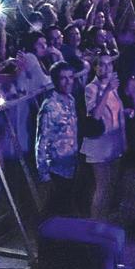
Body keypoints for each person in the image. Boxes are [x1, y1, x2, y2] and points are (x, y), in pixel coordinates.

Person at [80, 52, 125, 222]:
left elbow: (118, 112)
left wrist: (124, 139)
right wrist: (106, 90)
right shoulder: (91, 88)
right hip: (99, 143)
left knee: (111, 184)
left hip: (114, 141)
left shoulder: (114, 88)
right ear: (96, 68)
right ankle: (95, 223)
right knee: (102, 186)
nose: (106, 68)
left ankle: (105, 219)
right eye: (102, 65)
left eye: (109, 64)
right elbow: (96, 115)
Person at [34, 61, 81, 216]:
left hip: (71, 165)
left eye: (71, 77)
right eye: (63, 78)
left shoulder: (71, 100)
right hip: (56, 169)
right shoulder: (50, 106)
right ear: (55, 81)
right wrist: (44, 174)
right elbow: (41, 142)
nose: (68, 82)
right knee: (54, 211)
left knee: (67, 207)